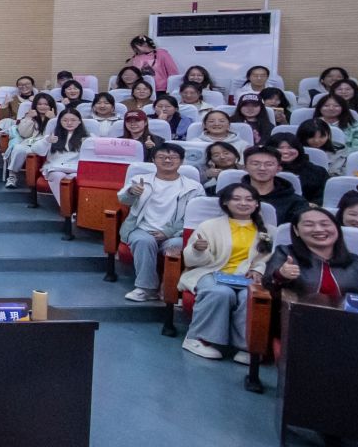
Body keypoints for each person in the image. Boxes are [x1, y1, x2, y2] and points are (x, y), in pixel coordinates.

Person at [178, 183, 274, 360]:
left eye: (249, 199)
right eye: (236, 199)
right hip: (210, 272)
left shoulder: (268, 231)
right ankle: (198, 338)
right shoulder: (209, 226)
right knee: (221, 292)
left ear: (256, 204)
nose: (243, 203)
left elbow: (266, 259)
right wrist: (198, 250)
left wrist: (258, 270)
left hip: (245, 277)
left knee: (248, 296)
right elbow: (190, 260)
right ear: (225, 203)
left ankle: (247, 346)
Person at [116, 143, 204, 302]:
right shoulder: (140, 180)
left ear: (181, 161)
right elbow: (123, 199)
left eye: (173, 157)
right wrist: (132, 192)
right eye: (162, 157)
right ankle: (146, 288)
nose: (167, 160)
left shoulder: (194, 187)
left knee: (176, 245)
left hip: (175, 233)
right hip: (141, 229)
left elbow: (195, 217)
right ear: (153, 160)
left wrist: (168, 232)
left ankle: (169, 286)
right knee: (143, 241)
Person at [263, 206, 358, 300]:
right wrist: (281, 275)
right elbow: (267, 285)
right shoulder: (285, 253)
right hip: (297, 317)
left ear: (337, 228)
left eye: (325, 224)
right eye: (309, 225)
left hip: (349, 320)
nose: (318, 229)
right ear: (296, 230)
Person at [238, 146, 303, 229]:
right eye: (255, 164)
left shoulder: (295, 201)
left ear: (278, 168)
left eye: (269, 164)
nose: (262, 168)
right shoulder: (231, 197)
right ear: (245, 167)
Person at [39, 110, 88, 208]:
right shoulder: (52, 136)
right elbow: (36, 150)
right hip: (55, 168)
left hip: (76, 169)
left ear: (79, 121)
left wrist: (87, 144)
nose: (69, 123)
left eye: (73, 120)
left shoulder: (88, 137)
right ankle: (67, 208)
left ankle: (78, 208)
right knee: (58, 176)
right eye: (65, 120)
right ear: (59, 122)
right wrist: (46, 141)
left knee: (74, 178)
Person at [266, 133, 327, 206]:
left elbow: (324, 196)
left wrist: (313, 204)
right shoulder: (261, 170)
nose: (285, 152)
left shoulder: (317, 171)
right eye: (280, 148)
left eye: (290, 147)